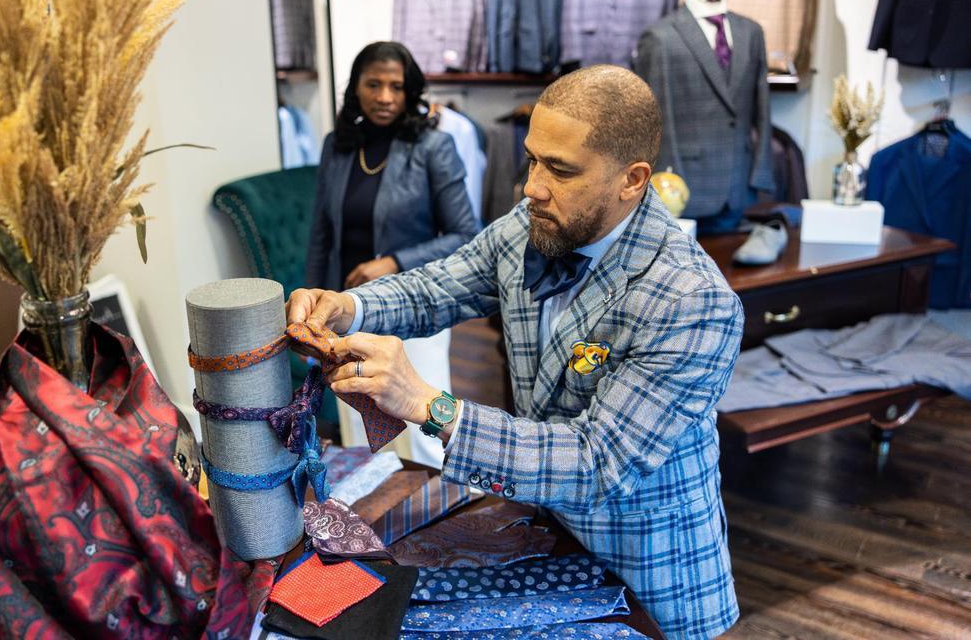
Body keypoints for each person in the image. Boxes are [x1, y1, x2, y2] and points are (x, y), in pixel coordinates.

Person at [289, 65, 743, 639]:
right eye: (533, 158)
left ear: (632, 179)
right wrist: (347, 306)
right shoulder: (533, 224)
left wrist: (431, 405)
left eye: (561, 169)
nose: (532, 185)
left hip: (649, 573)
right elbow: (436, 287)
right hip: (542, 537)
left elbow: (597, 463)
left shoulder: (693, 300)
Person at [305, 41, 478, 465]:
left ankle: (438, 518)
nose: (385, 97)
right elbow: (323, 231)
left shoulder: (433, 148)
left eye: (396, 87)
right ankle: (370, 522)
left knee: (422, 436)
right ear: (356, 88)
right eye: (374, 84)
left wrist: (393, 262)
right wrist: (314, 302)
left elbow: (465, 234)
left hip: (416, 307)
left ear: (410, 91)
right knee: (362, 429)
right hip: (351, 310)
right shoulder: (338, 147)